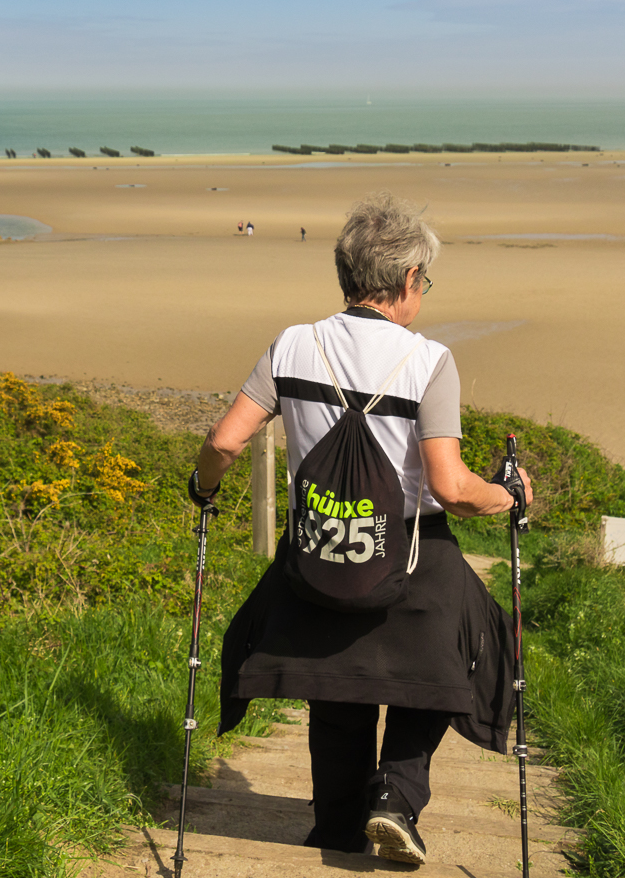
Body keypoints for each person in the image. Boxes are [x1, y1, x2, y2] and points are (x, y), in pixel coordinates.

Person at [191, 192, 531, 865]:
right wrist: (510, 497)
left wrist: (201, 488)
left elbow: (226, 443)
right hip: (405, 557)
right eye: (424, 282)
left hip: (318, 555)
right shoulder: (427, 361)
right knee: (455, 643)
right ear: (408, 280)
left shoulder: (292, 345)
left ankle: (341, 820)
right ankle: (396, 798)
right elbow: (450, 489)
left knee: (336, 677)